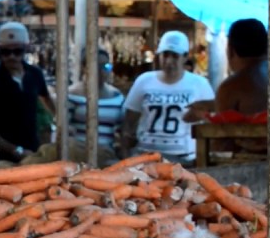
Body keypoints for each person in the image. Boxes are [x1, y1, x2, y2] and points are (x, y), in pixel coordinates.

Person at [121, 31, 215, 163]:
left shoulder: (199, 84)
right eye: (165, 55)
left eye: (175, 56)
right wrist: (126, 155)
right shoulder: (144, 81)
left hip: (185, 159)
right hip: (144, 157)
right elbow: (129, 121)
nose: (169, 61)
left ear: (185, 57)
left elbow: (211, 121)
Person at [0, 22, 54, 161]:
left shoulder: (35, 74)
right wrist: (16, 150)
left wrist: (59, 123)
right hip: (3, 158)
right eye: (6, 52)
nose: (11, 56)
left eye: (17, 51)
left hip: (32, 150)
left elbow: (46, 100)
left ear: (25, 49)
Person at [67, 48, 125, 163]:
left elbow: (122, 130)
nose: (102, 71)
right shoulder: (71, 94)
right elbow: (62, 128)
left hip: (108, 157)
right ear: (84, 67)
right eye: (97, 66)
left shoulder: (117, 96)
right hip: (77, 156)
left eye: (106, 66)